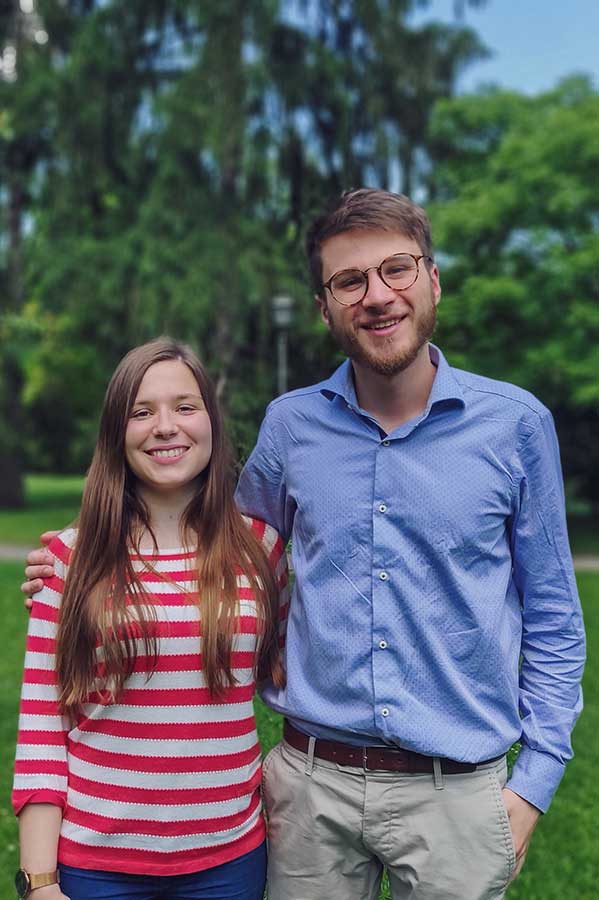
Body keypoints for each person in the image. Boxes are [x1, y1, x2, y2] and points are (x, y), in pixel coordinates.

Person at [22, 189, 586, 900]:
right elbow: (216, 536)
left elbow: (555, 622)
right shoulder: (290, 429)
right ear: (324, 308)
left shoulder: (516, 427)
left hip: (457, 797)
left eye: (397, 270)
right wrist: (88, 555)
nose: (376, 295)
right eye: (349, 281)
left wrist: (531, 786)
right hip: (310, 794)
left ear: (433, 279)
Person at [13, 338, 288, 900]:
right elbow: (42, 727)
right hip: (95, 866)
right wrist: (40, 883)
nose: (166, 426)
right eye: (142, 412)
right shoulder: (69, 559)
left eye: (185, 407)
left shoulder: (263, 550)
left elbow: (286, 666)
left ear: (211, 421)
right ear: (118, 433)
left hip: (229, 861)